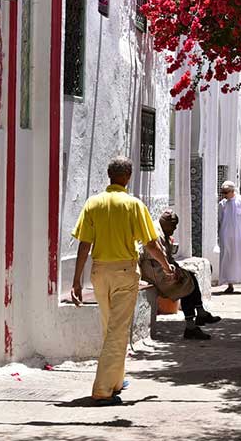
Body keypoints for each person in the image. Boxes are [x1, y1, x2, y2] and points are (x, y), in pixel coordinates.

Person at [70, 156, 174, 406]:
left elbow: (84, 244)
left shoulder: (93, 203)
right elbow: (150, 244)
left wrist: (76, 280)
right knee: (117, 331)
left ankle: (116, 380)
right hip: (124, 273)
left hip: (99, 272)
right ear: (127, 177)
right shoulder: (134, 205)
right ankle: (103, 389)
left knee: (110, 328)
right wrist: (165, 265)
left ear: (109, 175)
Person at [140, 209, 221, 340]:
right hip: (154, 271)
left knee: (190, 276)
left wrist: (175, 267)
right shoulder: (156, 233)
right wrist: (170, 269)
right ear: (166, 223)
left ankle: (199, 315)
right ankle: (192, 325)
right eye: (173, 226)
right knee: (186, 284)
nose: (174, 229)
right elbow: (156, 254)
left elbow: (167, 257)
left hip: (160, 268)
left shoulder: (163, 232)